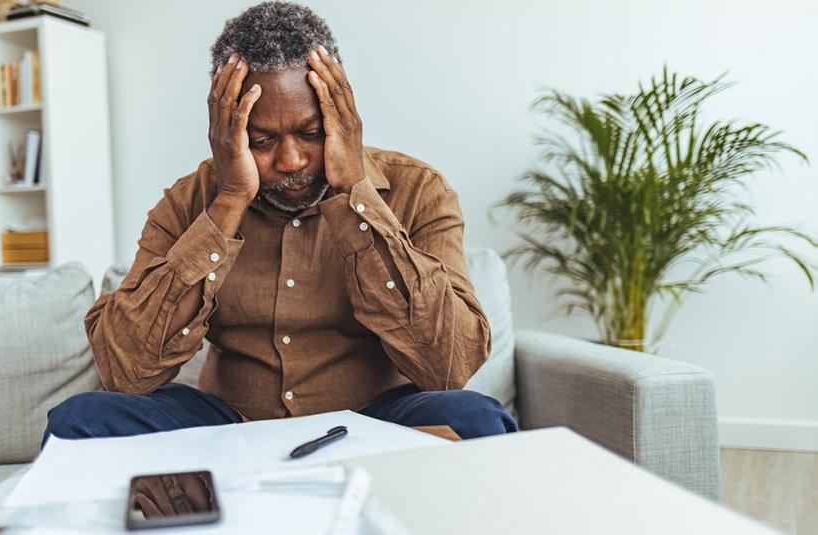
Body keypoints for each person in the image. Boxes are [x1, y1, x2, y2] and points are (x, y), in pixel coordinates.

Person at [44, 1, 517, 446]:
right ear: (225, 131)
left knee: (476, 418)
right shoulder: (190, 200)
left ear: (344, 116)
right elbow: (126, 372)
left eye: (311, 133)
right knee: (80, 422)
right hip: (230, 428)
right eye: (262, 139)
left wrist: (356, 192)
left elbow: (449, 367)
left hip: (375, 421)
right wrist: (228, 202)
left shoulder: (419, 190)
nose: (291, 160)